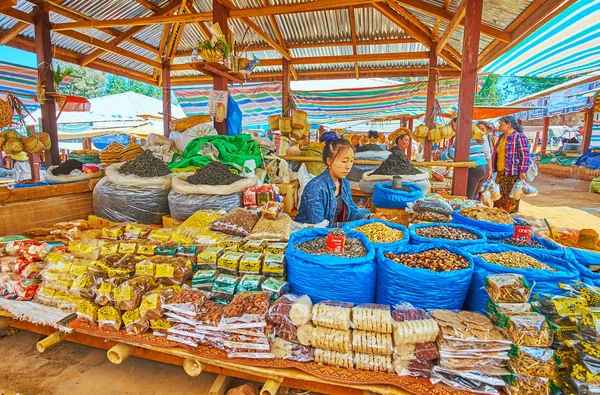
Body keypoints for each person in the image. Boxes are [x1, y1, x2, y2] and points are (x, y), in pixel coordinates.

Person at [295, 138, 390, 226]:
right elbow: (319, 226)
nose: (348, 166)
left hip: (334, 232)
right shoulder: (315, 188)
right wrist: (349, 225)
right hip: (308, 235)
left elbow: (353, 213)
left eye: (351, 161)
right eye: (344, 161)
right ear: (329, 161)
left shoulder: (344, 184)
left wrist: (372, 217)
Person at [492, 115, 531, 213]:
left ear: (509, 125)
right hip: (501, 173)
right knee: (498, 199)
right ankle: (499, 221)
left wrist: (523, 171)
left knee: (511, 200)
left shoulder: (519, 137)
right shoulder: (501, 137)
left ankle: (509, 221)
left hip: (513, 173)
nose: (499, 126)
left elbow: (525, 155)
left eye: (501, 124)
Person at [448, 116, 493, 200]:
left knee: (468, 198)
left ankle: (467, 212)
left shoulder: (461, 136)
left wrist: (440, 156)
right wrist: (490, 169)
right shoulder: (477, 135)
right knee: (473, 197)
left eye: (456, 126)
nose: (454, 129)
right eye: (453, 126)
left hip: (475, 169)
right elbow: (487, 152)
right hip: (484, 167)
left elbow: (451, 155)